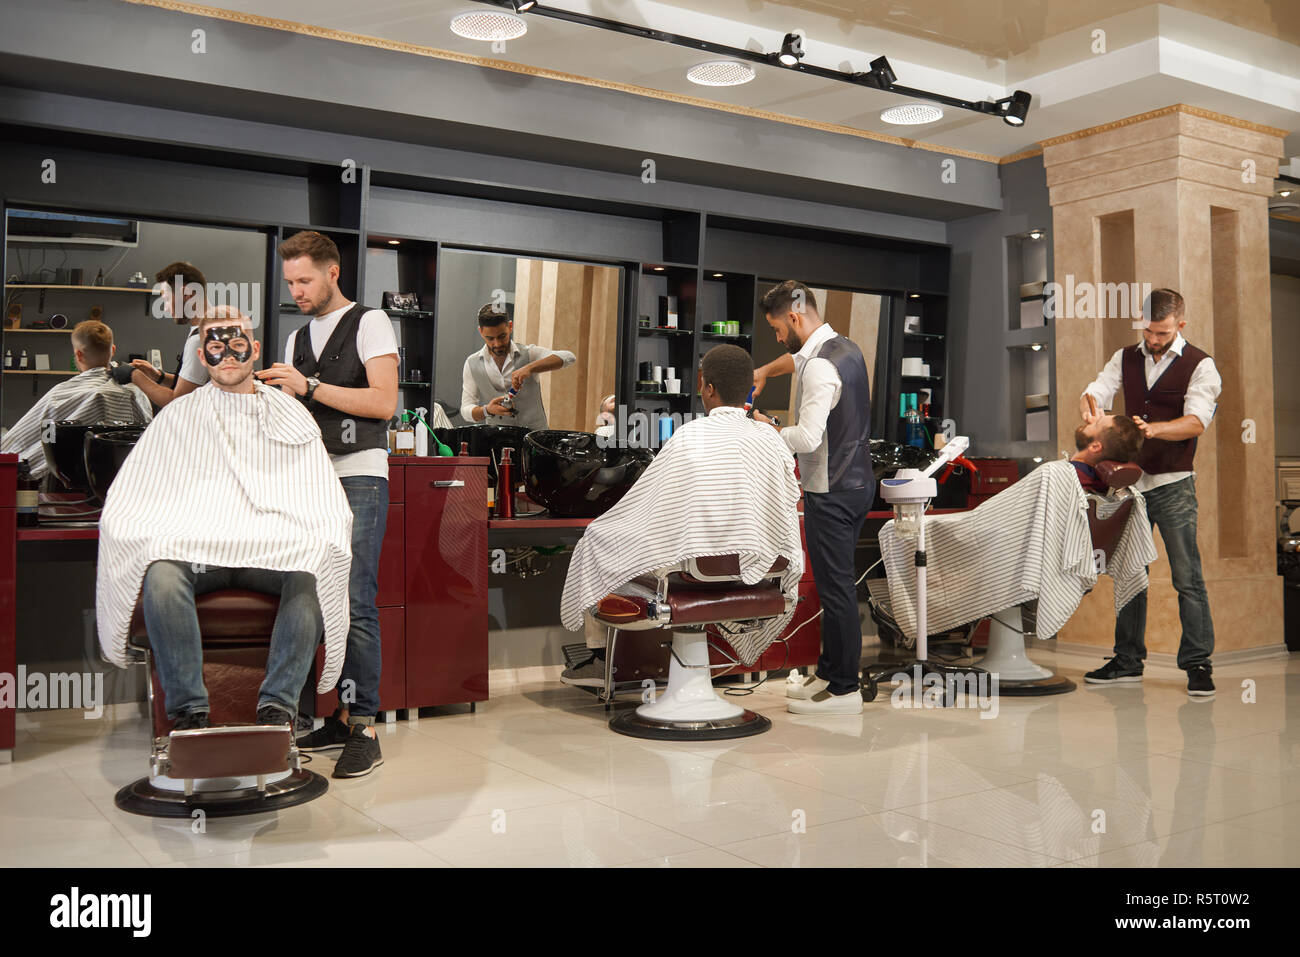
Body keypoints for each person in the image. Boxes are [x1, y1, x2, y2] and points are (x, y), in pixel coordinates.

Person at [95, 310, 353, 730]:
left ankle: (277, 707)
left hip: (268, 555)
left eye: (237, 346)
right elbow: (135, 495)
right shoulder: (178, 417)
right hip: (200, 555)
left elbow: (319, 495)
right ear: (202, 354)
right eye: (216, 348)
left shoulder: (290, 414)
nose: (228, 356)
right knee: (161, 574)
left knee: (308, 575)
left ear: (253, 350)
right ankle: (188, 713)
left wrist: (316, 535)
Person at [560, 345, 802, 686]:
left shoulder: (690, 435)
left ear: (708, 387)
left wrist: (605, 528)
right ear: (750, 389)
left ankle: (603, 660)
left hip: (696, 573)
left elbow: (652, 510)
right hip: (760, 569)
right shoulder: (772, 439)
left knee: (598, 541)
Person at [258, 230, 398, 777]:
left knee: (356, 599)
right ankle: (335, 715)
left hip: (360, 474)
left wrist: (308, 386)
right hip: (309, 481)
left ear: (332, 272)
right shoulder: (295, 340)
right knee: (310, 597)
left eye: (305, 279)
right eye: (290, 281)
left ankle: (364, 726)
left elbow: (384, 403)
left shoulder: (371, 322)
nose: (296, 289)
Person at [1079, 288, 1221, 697]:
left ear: (1180, 323)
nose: (1153, 340)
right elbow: (1098, 390)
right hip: (1130, 488)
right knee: (1129, 575)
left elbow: (1195, 422)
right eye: (1148, 331)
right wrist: (1092, 408)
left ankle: (1198, 663)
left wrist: (1153, 429)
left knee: (1187, 577)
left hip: (1174, 486)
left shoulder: (1201, 365)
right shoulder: (1124, 357)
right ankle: (1127, 661)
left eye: (1161, 332)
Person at [751, 280, 873, 715]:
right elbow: (797, 358)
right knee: (833, 586)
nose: (778, 337)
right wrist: (765, 371)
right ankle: (826, 673)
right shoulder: (845, 348)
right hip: (858, 483)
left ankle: (844, 689)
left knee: (836, 590)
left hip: (833, 491)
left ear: (794, 317)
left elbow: (806, 437)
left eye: (777, 328)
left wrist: (764, 428)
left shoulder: (821, 366)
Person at [0, 319, 151, 479]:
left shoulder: (60, 395)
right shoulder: (135, 391)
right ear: (112, 350)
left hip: (71, 475)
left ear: (78, 355)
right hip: (130, 476)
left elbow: (33, 434)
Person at [460, 302, 575, 431]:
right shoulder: (472, 363)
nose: (497, 344)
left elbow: (569, 357)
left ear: (510, 326)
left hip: (534, 440)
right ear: (481, 332)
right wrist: (486, 410)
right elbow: (466, 409)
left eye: (502, 336)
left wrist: (530, 368)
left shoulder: (529, 354)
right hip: (496, 440)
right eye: (490, 338)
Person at [127, 261, 211, 408]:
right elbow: (194, 385)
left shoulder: (199, 340)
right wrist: (159, 376)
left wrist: (134, 376)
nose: (166, 308)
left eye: (166, 299)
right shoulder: (212, 328)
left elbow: (178, 401)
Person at [1070, 412, 1144, 490]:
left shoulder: (1064, 477)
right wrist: (1098, 426)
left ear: (1095, 447)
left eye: (1096, 424)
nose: (1091, 420)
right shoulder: (1108, 487)